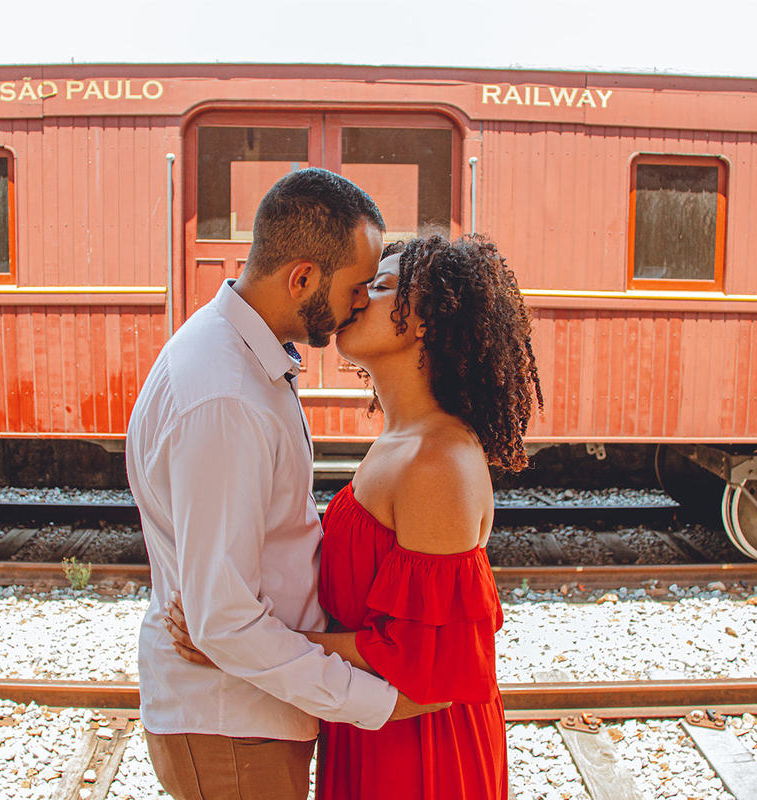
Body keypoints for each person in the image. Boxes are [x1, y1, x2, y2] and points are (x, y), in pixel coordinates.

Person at [169, 234, 544, 799]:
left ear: (424, 322)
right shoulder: (401, 440)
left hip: (420, 751)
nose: (359, 297)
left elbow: (428, 667)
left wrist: (241, 645)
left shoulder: (436, 460)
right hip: (376, 724)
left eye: (383, 286)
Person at [125, 168, 445, 800]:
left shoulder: (240, 359)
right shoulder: (226, 396)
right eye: (358, 287)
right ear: (302, 277)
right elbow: (224, 622)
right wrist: (375, 701)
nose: (362, 303)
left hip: (249, 715)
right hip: (233, 725)